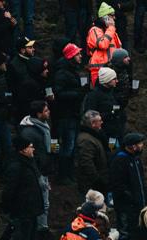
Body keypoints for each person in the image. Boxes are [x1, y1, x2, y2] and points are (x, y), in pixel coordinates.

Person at [0, 137, 55, 240]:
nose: (33, 149)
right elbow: (9, 191)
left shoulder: (29, 163)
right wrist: (12, 209)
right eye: (31, 147)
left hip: (31, 212)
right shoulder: (16, 167)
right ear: (23, 149)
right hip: (23, 214)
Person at [17, 100, 52, 235]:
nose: (49, 112)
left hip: (43, 169)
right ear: (38, 114)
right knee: (43, 203)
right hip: (37, 172)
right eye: (46, 111)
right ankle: (41, 230)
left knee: (45, 201)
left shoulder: (43, 126)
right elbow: (31, 157)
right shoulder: (29, 133)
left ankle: (41, 228)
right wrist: (40, 174)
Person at [52, 42, 85, 184]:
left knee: (70, 146)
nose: (80, 56)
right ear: (71, 56)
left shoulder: (72, 70)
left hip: (72, 114)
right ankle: (63, 175)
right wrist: (77, 94)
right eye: (78, 54)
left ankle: (69, 174)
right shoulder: (62, 73)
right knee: (68, 145)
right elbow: (58, 93)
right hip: (66, 115)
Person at [109, 132, 147, 234]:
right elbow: (118, 185)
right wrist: (132, 198)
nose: (142, 145)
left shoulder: (136, 159)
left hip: (139, 205)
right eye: (140, 143)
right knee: (126, 233)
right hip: (126, 207)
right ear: (133, 146)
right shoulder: (120, 160)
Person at [83, 67, 125, 141]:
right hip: (103, 134)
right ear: (107, 80)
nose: (117, 81)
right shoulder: (94, 95)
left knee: (114, 150)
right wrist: (111, 113)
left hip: (116, 132)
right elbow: (90, 116)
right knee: (109, 151)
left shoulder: (113, 92)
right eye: (114, 79)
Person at [86, 2, 123, 86]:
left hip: (112, 69)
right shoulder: (94, 30)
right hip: (99, 71)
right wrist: (111, 27)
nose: (114, 18)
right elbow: (103, 44)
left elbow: (118, 48)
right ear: (105, 17)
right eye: (112, 15)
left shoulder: (111, 30)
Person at [75, 110, 109, 194]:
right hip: (91, 186)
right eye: (100, 121)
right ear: (93, 123)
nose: (102, 122)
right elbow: (86, 163)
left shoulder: (94, 136)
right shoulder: (86, 140)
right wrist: (97, 181)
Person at [0, 52, 11, 174]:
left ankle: (4, 172)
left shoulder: (4, 76)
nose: (6, 64)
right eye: (4, 62)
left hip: (3, 116)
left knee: (7, 146)